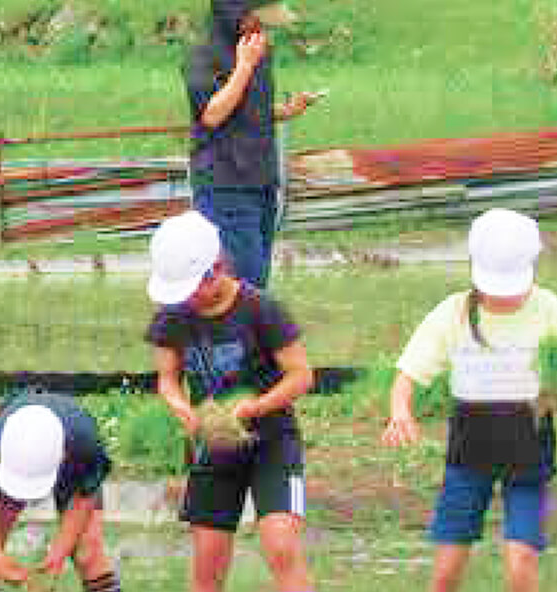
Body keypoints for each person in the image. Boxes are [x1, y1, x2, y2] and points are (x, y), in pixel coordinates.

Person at [378, 208, 557, 592]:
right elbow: (408, 373)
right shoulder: (452, 312)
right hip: (470, 455)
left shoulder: (548, 306)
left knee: (522, 562)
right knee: (447, 570)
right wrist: (400, 411)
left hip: (529, 453)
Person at [143, 212, 315, 592]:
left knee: (281, 545)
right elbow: (168, 379)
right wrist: (181, 408)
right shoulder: (172, 318)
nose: (185, 298)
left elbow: (301, 375)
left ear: (216, 269)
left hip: (272, 442)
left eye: (191, 288)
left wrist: (256, 407)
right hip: (214, 446)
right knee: (207, 562)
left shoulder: (260, 309)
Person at [183, 0, 321, 289]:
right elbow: (212, 114)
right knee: (242, 284)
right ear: (234, 14)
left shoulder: (259, 50)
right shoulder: (202, 56)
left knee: (258, 282)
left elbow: (249, 109)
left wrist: (287, 110)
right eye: (257, 18)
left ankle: (251, 333)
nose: (264, 25)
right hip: (224, 186)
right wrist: (245, 65)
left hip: (261, 182)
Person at [0, 392, 120, 592]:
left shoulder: (86, 444)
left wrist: (59, 552)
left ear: (62, 456)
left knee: (88, 550)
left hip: (75, 464)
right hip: (7, 460)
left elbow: (83, 500)